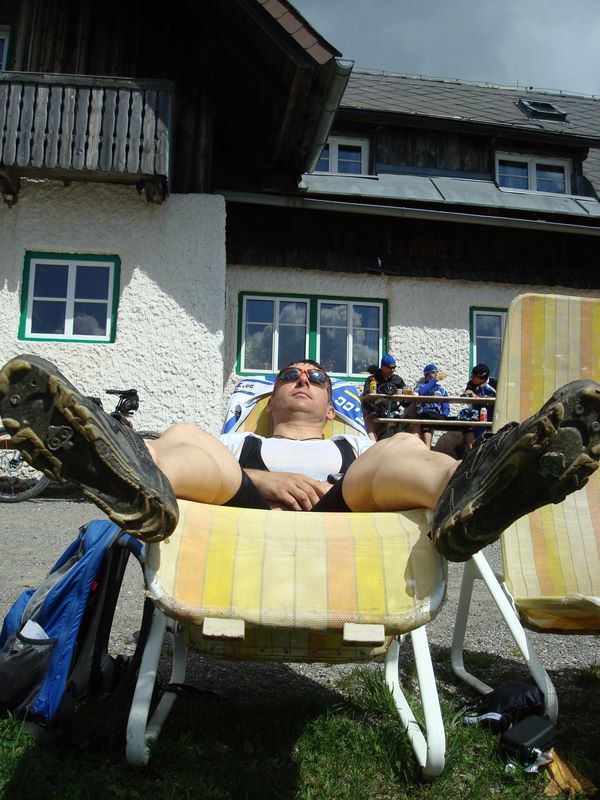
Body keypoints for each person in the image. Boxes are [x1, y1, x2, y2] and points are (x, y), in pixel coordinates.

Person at [1, 353, 599, 563]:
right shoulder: (240, 441)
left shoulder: (354, 443)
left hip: (342, 505)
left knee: (402, 447)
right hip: (243, 500)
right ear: (273, 396)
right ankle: (130, 471)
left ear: (330, 403)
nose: (304, 380)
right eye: (291, 376)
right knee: (185, 434)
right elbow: (220, 465)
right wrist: (262, 479)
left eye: (316, 378)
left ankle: (473, 493)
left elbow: (379, 470)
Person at [361, 354, 406, 441]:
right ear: (382, 367)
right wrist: (377, 402)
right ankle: (372, 445)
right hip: (376, 411)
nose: (392, 370)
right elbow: (367, 398)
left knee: (410, 422)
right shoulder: (372, 379)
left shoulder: (397, 380)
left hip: (393, 411)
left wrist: (402, 396)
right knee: (369, 421)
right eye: (390, 367)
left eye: (394, 367)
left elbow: (405, 401)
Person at [413, 364, 450, 449]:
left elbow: (446, 406)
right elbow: (421, 393)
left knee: (464, 422)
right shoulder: (420, 386)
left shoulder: (441, 390)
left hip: (436, 415)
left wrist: (444, 415)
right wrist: (434, 380)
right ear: (427, 374)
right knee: (426, 417)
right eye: (433, 372)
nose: (436, 374)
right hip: (424, 414)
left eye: (437, 372)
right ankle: (427, 447)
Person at [462, 363, 496, 451]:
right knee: (466, 423)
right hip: (477, 414)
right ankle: (471, 450)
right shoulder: (472, 383)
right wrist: (475, 396)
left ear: (482, 377)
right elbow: (467, 392)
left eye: (474, 376)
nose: (471, 378)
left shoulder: (494, 383)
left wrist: (489, 399)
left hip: (491, 415)